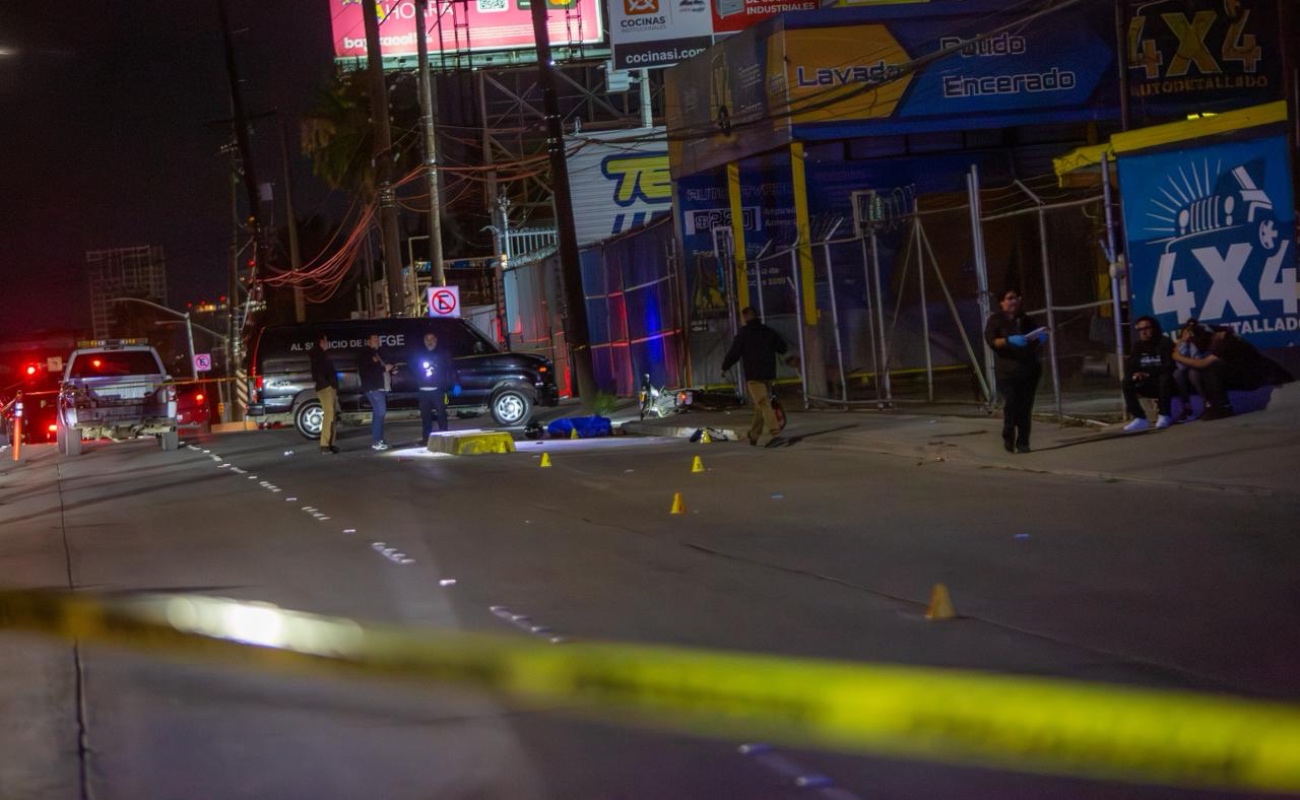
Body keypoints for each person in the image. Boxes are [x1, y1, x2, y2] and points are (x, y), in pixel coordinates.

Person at [983, 288, 1047, 453]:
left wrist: (1040, 338)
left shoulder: (1025, 319)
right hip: (1007, 372)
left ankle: (1023, 442)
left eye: (1016, 298)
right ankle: (1008, 433)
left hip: (1028, 370)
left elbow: (1034, 339)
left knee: (1026, 407)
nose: (1014, 301)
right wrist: (1008, 340)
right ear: (1002, 302)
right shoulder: (996, 320)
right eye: (1009, 298)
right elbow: (991, 340)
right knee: (1011, 402)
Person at [721, 306, 788, 448]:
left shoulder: (744, 334)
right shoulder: (768, 331)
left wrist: (725, 367)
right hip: (769, 374)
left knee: (763, 403)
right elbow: (783, 348)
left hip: (754, 375)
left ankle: (776, 434)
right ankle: (754, 434)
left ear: (745, 317)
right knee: (760, 406)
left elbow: (734, 353)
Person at [1121, 315, 1175, 431]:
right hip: (1146, 382)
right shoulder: (1138, 345)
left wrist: (1149, 374)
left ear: (1154, 328)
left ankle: (1164, 415)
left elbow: (1168, 366)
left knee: (1164, 378)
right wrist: (1135, 373)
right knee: (1127, 381)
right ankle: (1139, 418)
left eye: (1146, 328)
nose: (1143, 332)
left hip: (1164, 381)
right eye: (1140, 329)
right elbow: (1131, 365)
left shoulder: (1164, 342)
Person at [411, 331, 459, 442]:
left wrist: (456, 383)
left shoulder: (443, 354)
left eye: (432, 339)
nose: (429, 342)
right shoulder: (419, 354)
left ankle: (444, 436)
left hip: (439, 390)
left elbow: (450, 369)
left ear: (436, 340)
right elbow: (413, 369)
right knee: (425, 416)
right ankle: (426, 438)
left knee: (442, 414)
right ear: (424, 341)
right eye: (427, 339)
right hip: (423, 391)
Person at [358, 333, 394, 451]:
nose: (376, 341)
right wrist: (384, 368)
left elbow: (379, 368)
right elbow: (369, 370)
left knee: (377, 413)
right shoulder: (366, 353)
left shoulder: (376, 353)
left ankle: (378, 439)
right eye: (374, 339)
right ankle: (377, 441)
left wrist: (391, 370)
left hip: (378, 387)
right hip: (374, 388)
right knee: (380, 412)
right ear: (368, 341)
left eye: (377, 339)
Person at [309, 333, 340, 454]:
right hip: (326, 388)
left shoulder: (320, 355)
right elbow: (320, 373)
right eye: (326, 341)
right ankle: (325, 445)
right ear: (321, 342)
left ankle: (330, 444)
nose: (328, 344)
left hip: (327, 387)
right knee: (329, 414)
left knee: (332, 415)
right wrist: (329, 384)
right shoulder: (319, 355)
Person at [1173, 319, 1209, 420]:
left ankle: (1207, 404)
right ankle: (1187, 408)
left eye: (1191, 331)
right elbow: (1181, 366)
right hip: (1188, 367)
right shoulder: (1181, 343)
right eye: (1186, 331)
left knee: (1193, 373)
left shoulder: (1202, 340)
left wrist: (1193, 341)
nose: (1189, 334)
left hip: (1203, 367)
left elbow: (1197, 360)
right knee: (1178, 374)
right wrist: (1184, 342)